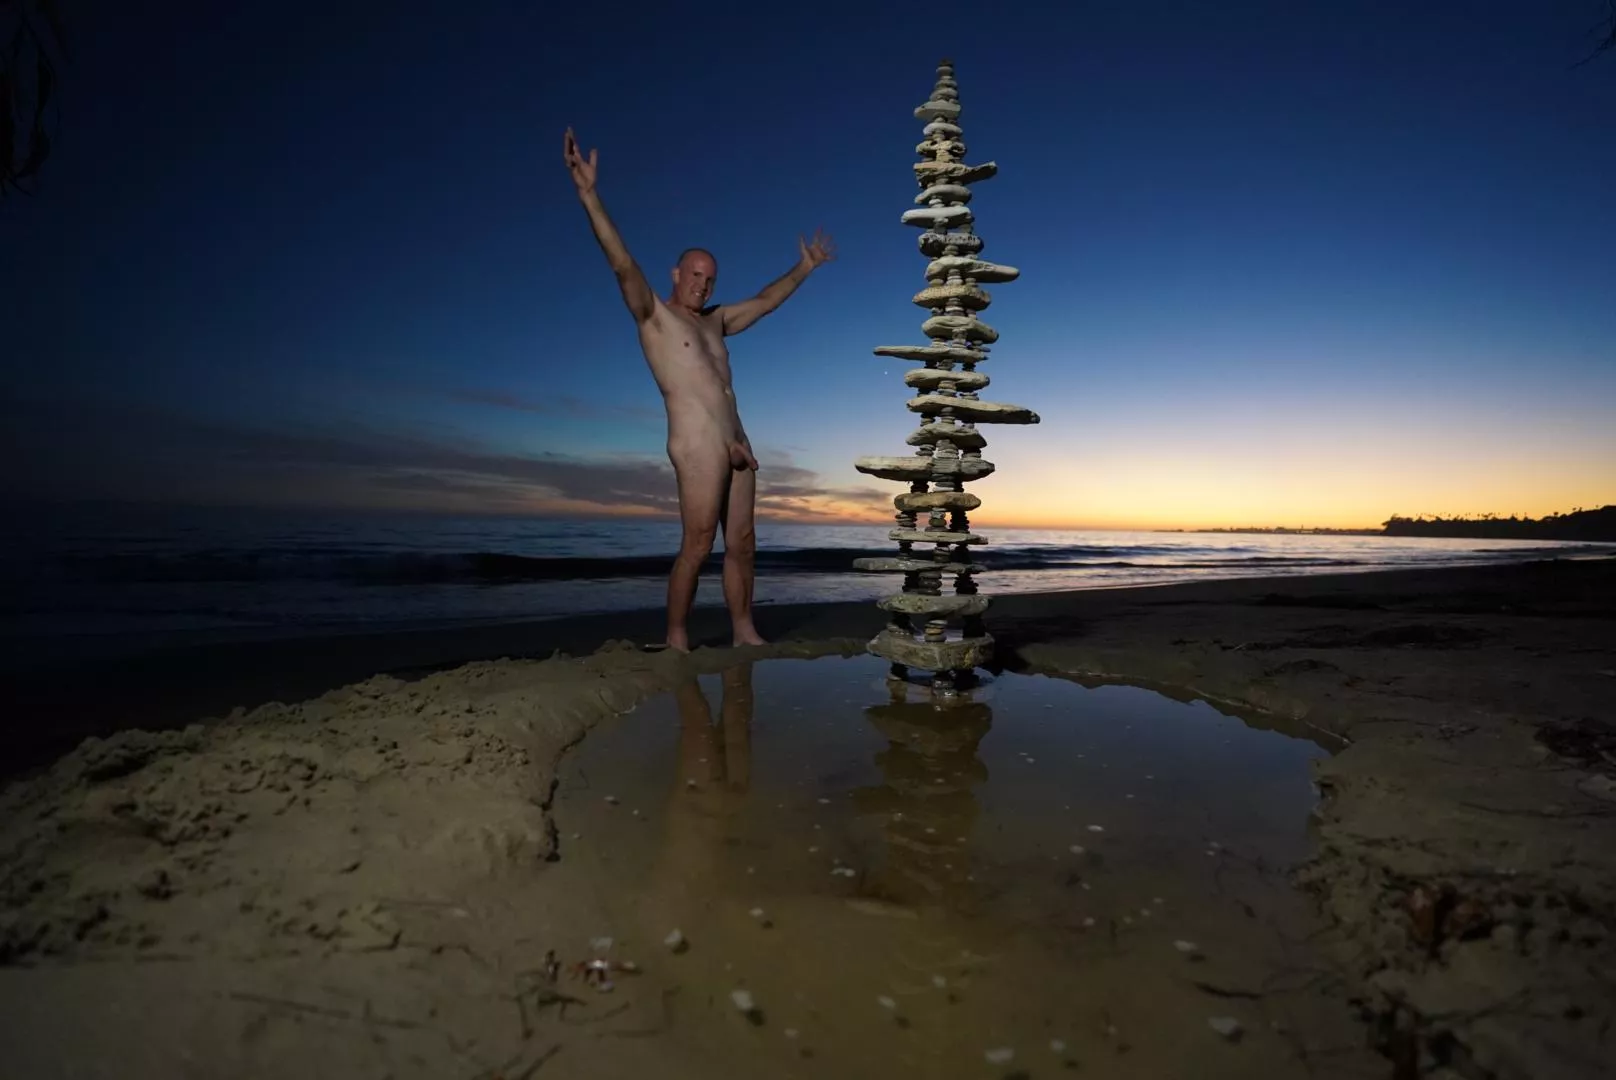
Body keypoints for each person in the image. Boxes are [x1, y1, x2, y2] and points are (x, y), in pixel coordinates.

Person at [563, 127, 835, 652]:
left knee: (744, 545)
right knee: (696, 545)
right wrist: (590, 196)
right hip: (696, 444)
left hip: (738, 441)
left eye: (709, 278)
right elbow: (621, 263)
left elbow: (764, 301)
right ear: (676, 273)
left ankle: (743, 631)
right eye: (694, 274)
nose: (702, 285)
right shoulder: (654, 317)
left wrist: (803, 267)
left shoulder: (715, 321)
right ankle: (677, 637)